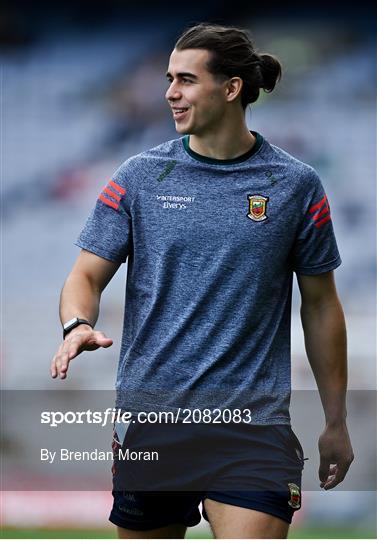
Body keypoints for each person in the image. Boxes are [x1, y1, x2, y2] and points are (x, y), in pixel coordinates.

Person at [51, 23, 354, 539]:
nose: (169, 92)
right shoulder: (140, 176)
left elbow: (321, 305)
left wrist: (335, 420)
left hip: (253, 430)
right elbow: (85, 274)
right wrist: (77, 323)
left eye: (186, 80)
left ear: (231, 88)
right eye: (169, 79)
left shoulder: (296, 185)